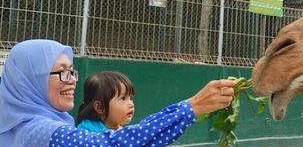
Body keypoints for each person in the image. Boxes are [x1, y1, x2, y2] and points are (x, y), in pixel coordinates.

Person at [0, 39, 235, 147]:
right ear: (29, 81)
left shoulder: (23, 127)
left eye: (72, 72)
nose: (71, 81)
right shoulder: (37, 131)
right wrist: (191, 108)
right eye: (62, 73)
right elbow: (112, 144)